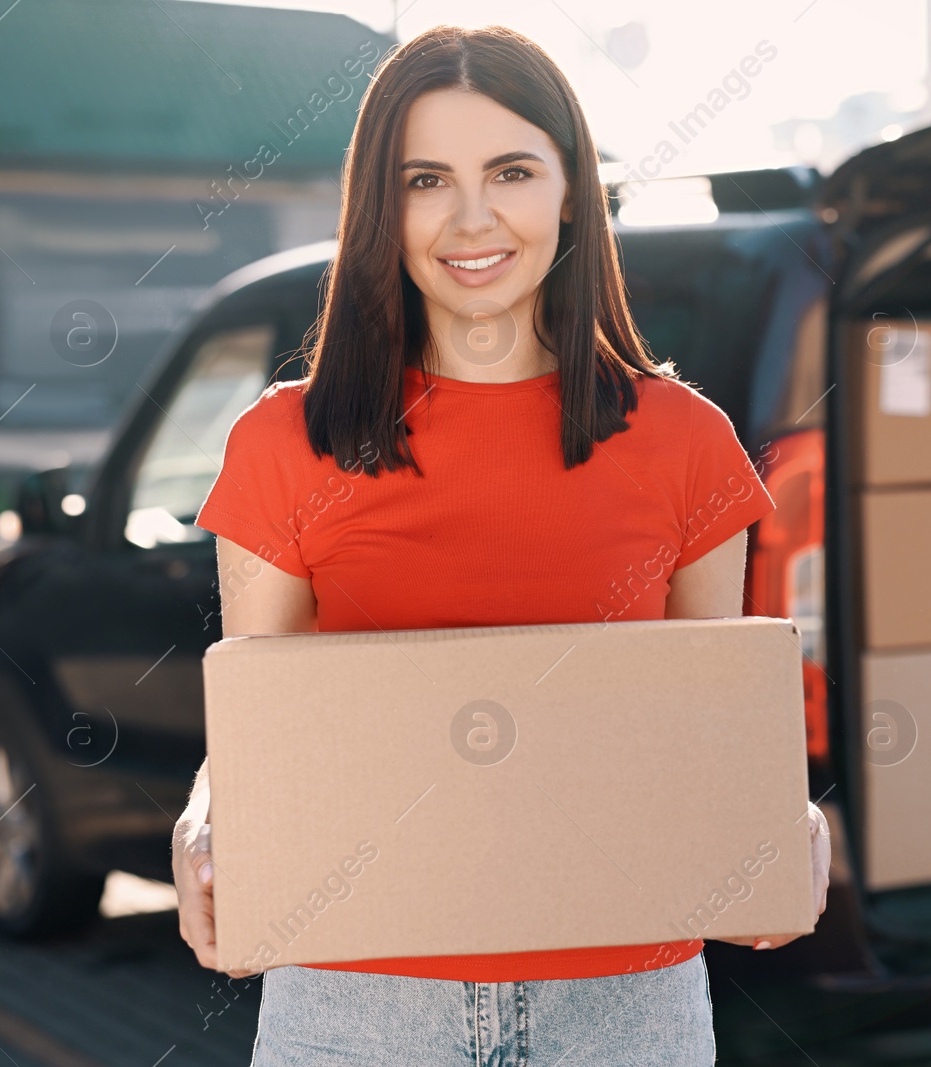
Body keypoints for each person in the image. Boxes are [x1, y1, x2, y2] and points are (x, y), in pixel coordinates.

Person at [170, 23, 832, 1066]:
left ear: (571, 188)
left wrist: (786, 815)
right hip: (356, 1003)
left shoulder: (685, 442)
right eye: (425, 178)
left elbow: (709, 729)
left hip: (624, 1004)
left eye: (511, 171)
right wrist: (205, 817)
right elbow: (263, 729)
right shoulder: (284, 443)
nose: (471, 217)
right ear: (380, 208)